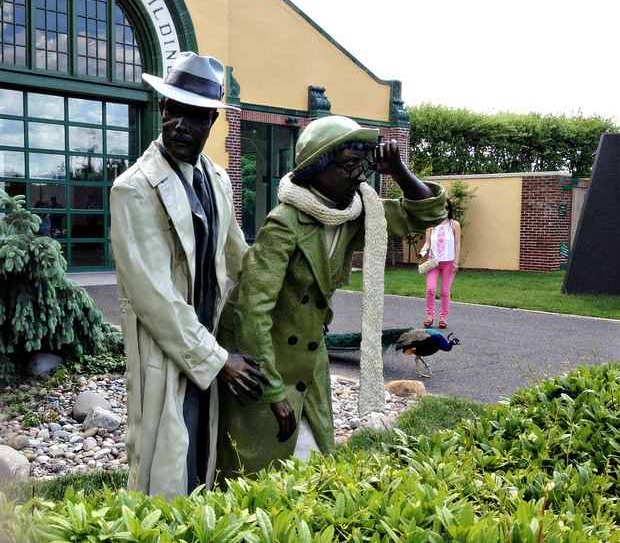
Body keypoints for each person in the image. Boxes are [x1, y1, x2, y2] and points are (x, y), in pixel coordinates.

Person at [215, 115, 447, 482]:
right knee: (255, 472)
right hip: (262, 361)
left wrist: (399, 170)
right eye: (350, 166)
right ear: (318, 168)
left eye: (363, 164)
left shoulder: (356, 213)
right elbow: (249, 312)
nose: (361, 176)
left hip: (309, 356)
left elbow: (425, 214)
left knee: (313, 464)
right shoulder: (285, 223)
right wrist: (273, 393)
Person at [110, 52, 269, 500]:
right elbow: (154, 296)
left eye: (195, 115)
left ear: (212, 122)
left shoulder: (217, 178)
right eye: (172, 110)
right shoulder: (134, 188)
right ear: (162, 110)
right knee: (162, 464)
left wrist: (285, 294)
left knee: (202, 454)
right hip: (165, 350)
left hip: (210, 340)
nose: (179, 124)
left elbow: (240, 257)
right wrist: (218, 360)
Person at [420, 198, 461, 329]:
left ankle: (443, 318)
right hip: (433, 261)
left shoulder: (454, 225)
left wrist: (456, 261)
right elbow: (428, 242)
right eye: (442, 207)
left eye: (447, 208)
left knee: (445, 291)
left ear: (450, 209)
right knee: (430, 289)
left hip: (449, 262)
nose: (444, 210)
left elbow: (457, 244)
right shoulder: (431, 225)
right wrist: (423, 250)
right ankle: (430, 316)